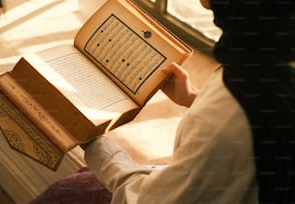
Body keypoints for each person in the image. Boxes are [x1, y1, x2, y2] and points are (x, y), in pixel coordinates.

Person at [31, 0, 295, 203]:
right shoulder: (270, 48)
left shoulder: (224, 114)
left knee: (64, 193)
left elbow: (147, 200)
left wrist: (93, 141)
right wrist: (194, 98)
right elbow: (265, 118)